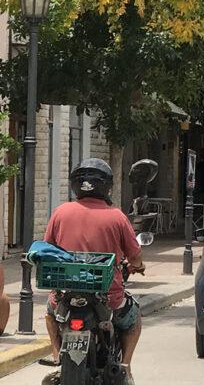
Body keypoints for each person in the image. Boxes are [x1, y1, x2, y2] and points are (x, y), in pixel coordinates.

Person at [42, 159, 145, 385]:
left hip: (65, 293)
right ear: (106, 186)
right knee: (133, 317)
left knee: (50, 312)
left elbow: (47, 248)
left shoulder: (60, 212)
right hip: (108, 297)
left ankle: (57, 355)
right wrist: (137, 265)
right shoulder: (117, 217)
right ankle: (125, 368)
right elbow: (135, 256)